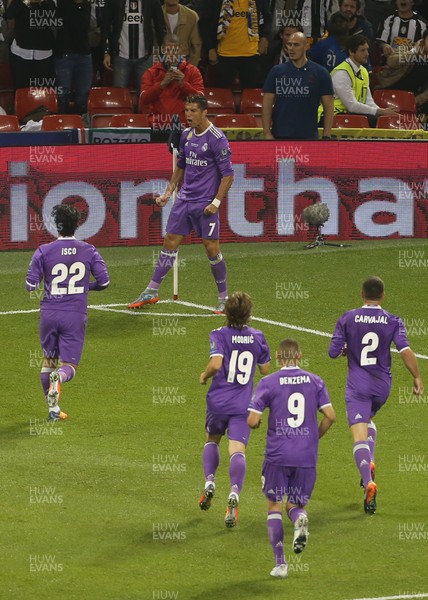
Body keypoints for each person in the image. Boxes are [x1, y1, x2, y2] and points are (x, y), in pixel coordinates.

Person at [128, 95, 234, 314]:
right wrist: (168, 192)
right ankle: (152, 290)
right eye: (186, 110)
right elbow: (181, 167)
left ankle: (224, 298)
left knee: (211, 248)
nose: (189, 115)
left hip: (205, 203)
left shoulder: (217, 138)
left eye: (193, 111)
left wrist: (216, 202)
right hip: (184, 200)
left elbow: (228, 176)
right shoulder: (186, 135)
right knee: (170, 241)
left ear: (205, 112)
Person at [329, 276, 423, 514]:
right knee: (369, 421)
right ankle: (369, 463)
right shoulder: (393, 320)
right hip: (383, 387)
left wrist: (346, 349)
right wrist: (417, 377)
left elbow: (332, 352)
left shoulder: (348, 317)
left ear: (362, 294)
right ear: (382, 296)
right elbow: (405, 351)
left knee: (358, 436)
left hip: (358, 387)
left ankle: (368, 482)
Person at [248, 338, 335, 578]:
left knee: (274, 505)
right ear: (299, 356)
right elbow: (330, 415)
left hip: (278, 456)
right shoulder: (315, 381)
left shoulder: (268, 382)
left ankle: (281, 564)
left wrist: (257, 424)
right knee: (295, 505)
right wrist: (314, 438)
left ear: (277, 357)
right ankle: (301, 519)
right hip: (306, 456)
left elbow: (252, 420)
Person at [25, 204, 110, 420]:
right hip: (74, 314)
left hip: (49, 313)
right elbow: (104, 282)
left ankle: (52, 408)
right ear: (77, 225)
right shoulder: (89, 250)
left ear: (56, 225)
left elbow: (30, 286)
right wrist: (84, 287)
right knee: (69, 365)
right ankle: (59, 379)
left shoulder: (43, 251)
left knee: (48, 360)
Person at [199, 291, 270, 527]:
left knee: (212, 440)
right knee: (237, 450)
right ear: (249, 314)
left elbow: (216, 364)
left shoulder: (218, 334)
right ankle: (234, 494)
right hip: (243, 405)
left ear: (226, 312)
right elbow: (265, 370)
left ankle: (209, 483)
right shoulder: (258, 336)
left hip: (218, 401)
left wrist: (204, 375)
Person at [262, 31, 334, 140]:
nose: (291, 48)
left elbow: (328, 107)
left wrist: (327, 135)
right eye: (289, 44)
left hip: (309, 137)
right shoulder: (276, 71)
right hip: (280, 135)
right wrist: (267, 133)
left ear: (306, 46)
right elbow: (267, 105)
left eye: (296, 45)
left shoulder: (321, 73)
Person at [199, 0, 272, 89]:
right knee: (222, 95)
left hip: (252, 54)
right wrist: (210, 48)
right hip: (224, 55)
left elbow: (267, 17)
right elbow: (204, 22)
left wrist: (265, 37)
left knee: (251, 95)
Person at [330, 34, 398, 126]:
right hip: (335, 115)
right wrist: (380, 111)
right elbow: (351, 106)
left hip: (351, 114)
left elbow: (369, 101)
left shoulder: (363, 71)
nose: (367, 54)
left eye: (367, 50)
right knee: (374, 121)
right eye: (362, 50)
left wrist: (382, 114)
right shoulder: (342, 73)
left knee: (383, 120)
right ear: (351, 52)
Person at [140, 34, 204, 130]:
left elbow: (200, 101)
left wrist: (184, 85)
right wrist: (162, 84)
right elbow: (144, 99)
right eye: (168, 50)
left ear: (181, 49)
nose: (171, 54)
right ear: (163, 49)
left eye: (175, 50)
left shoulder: (192, 71)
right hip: (157, 126)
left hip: (184, 126)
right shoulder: (151, 72)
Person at [102, 0, 166, 88]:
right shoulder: (114, 1)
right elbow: (105, 27)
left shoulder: (152, 1)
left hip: (145, 56)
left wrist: (163, 51)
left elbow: (160, 26)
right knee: (119, 91)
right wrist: (106, 51)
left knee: (145, 91)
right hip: (121, 55)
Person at [4, 0, 56, 89]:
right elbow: (9, 14)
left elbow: (54, 19)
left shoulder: (49, 3)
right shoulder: (20, 2)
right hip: (20, 53)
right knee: (20, 90)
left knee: (41, 92)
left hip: (43, 55)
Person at [54, 0, 93, 115]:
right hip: (64, 54)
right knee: (63, 93)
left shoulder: (88, 6)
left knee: (84, 93)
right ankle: (61, 122)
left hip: (84, 55)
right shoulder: (61, 4)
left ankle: (81, 123)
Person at [162, 0, 202, 66]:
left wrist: (190, 69)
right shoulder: (154, 14)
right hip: (160, 63)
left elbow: (196, 45)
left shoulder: (192, 16)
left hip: (184, 62)